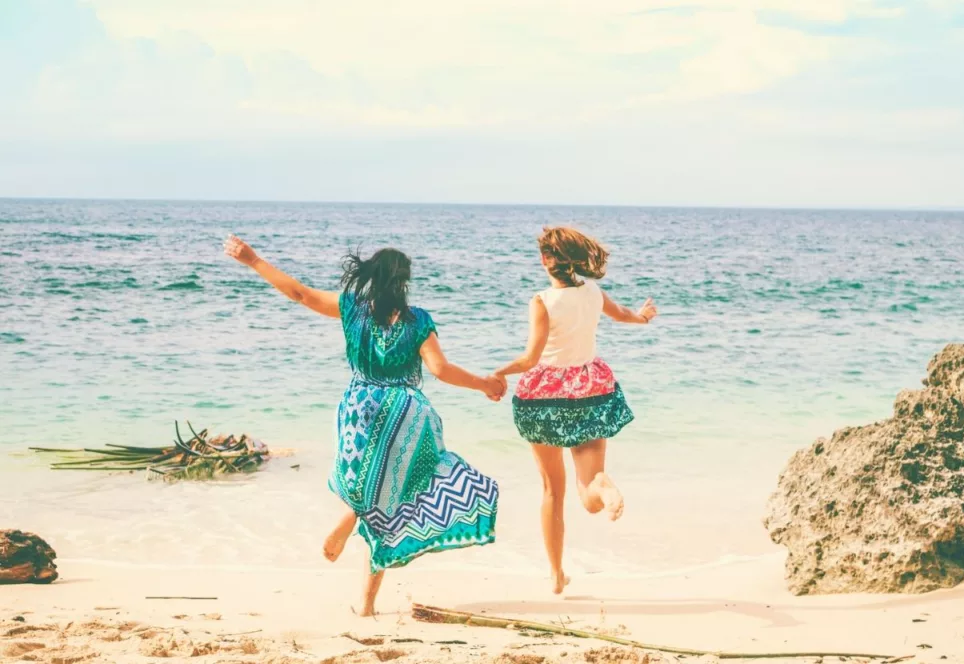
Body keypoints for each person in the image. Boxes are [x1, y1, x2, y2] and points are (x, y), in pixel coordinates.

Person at [223, 235, 504, 616]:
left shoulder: (352, 309)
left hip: (360, 407)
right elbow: (441, 370)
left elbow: (300, 294)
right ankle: (366, 597)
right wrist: (486, 384)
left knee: (368, 491)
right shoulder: (417, 320)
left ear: (371, 277)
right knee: (397, 501)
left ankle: (352, 518)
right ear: (404, 282)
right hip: (406, 411)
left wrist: (254, 260)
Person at [492, 227, 657, 594]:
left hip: (544, 399)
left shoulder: (542, 301)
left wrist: (498, 373)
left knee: (553, 489)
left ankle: (555, 574)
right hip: (589, 391)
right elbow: (624, 314)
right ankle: (602, 483)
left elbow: (531, 358)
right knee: (590, 495)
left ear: (547, 260)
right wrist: (644, 318)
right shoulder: (594, 293)